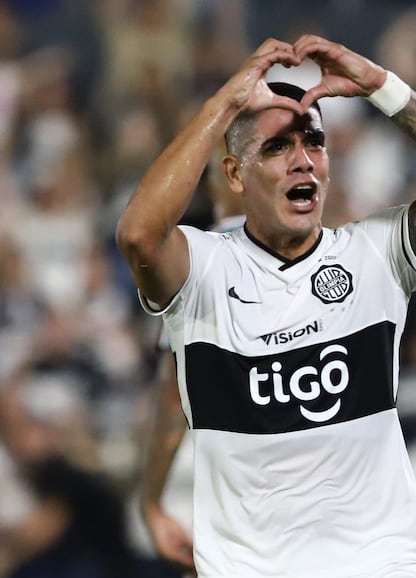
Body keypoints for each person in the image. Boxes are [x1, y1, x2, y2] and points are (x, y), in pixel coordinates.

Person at [115, 34, 416, 578]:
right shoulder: (203, 269)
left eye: (314, 142)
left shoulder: (375, 255)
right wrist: (223, 104)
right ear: (234, 174)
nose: (302, 160)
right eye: (277, 147)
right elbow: (138, 234)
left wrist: (380, 87)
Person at [138, 137, 245, 575]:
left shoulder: (196, 259)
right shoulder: (331, 248)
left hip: (235, 501)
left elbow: (175, 398)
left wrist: (151, 501)